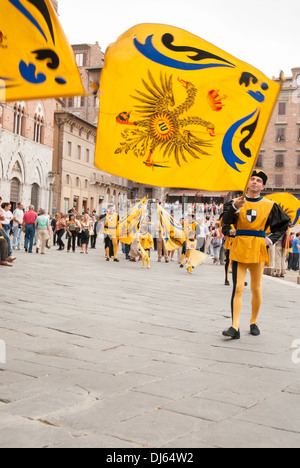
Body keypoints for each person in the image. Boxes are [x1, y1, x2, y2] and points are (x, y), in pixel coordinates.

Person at [222, 170, 290, 340]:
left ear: (263, 186)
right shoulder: (234, 203)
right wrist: (235, 208)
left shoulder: (269, 205)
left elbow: (283, 224)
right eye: (252, 179)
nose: (254, 182)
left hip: (258, 248)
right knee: (238, 287)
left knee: (256, 288)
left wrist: (270, 240)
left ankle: (253, 321)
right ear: (248, 183)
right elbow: (225, 223)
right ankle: (235, 326)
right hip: (239, 247)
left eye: (258, 180)